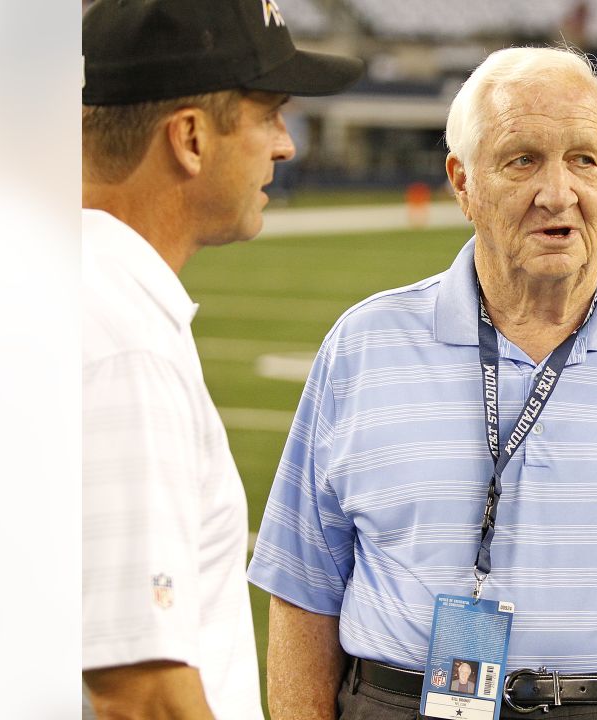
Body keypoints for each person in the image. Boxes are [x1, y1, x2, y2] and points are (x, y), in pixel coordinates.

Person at [247, 46, 597, 720]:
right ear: (462, 182)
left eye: (585, 160)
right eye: (522, 160)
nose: (558, 193)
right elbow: (303, 591)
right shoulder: (363, 347)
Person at [80, 1, 364, 718]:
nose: (285, 144)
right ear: (191, 138)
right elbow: (140, 693)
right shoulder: (121, 339)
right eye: (269, 112)